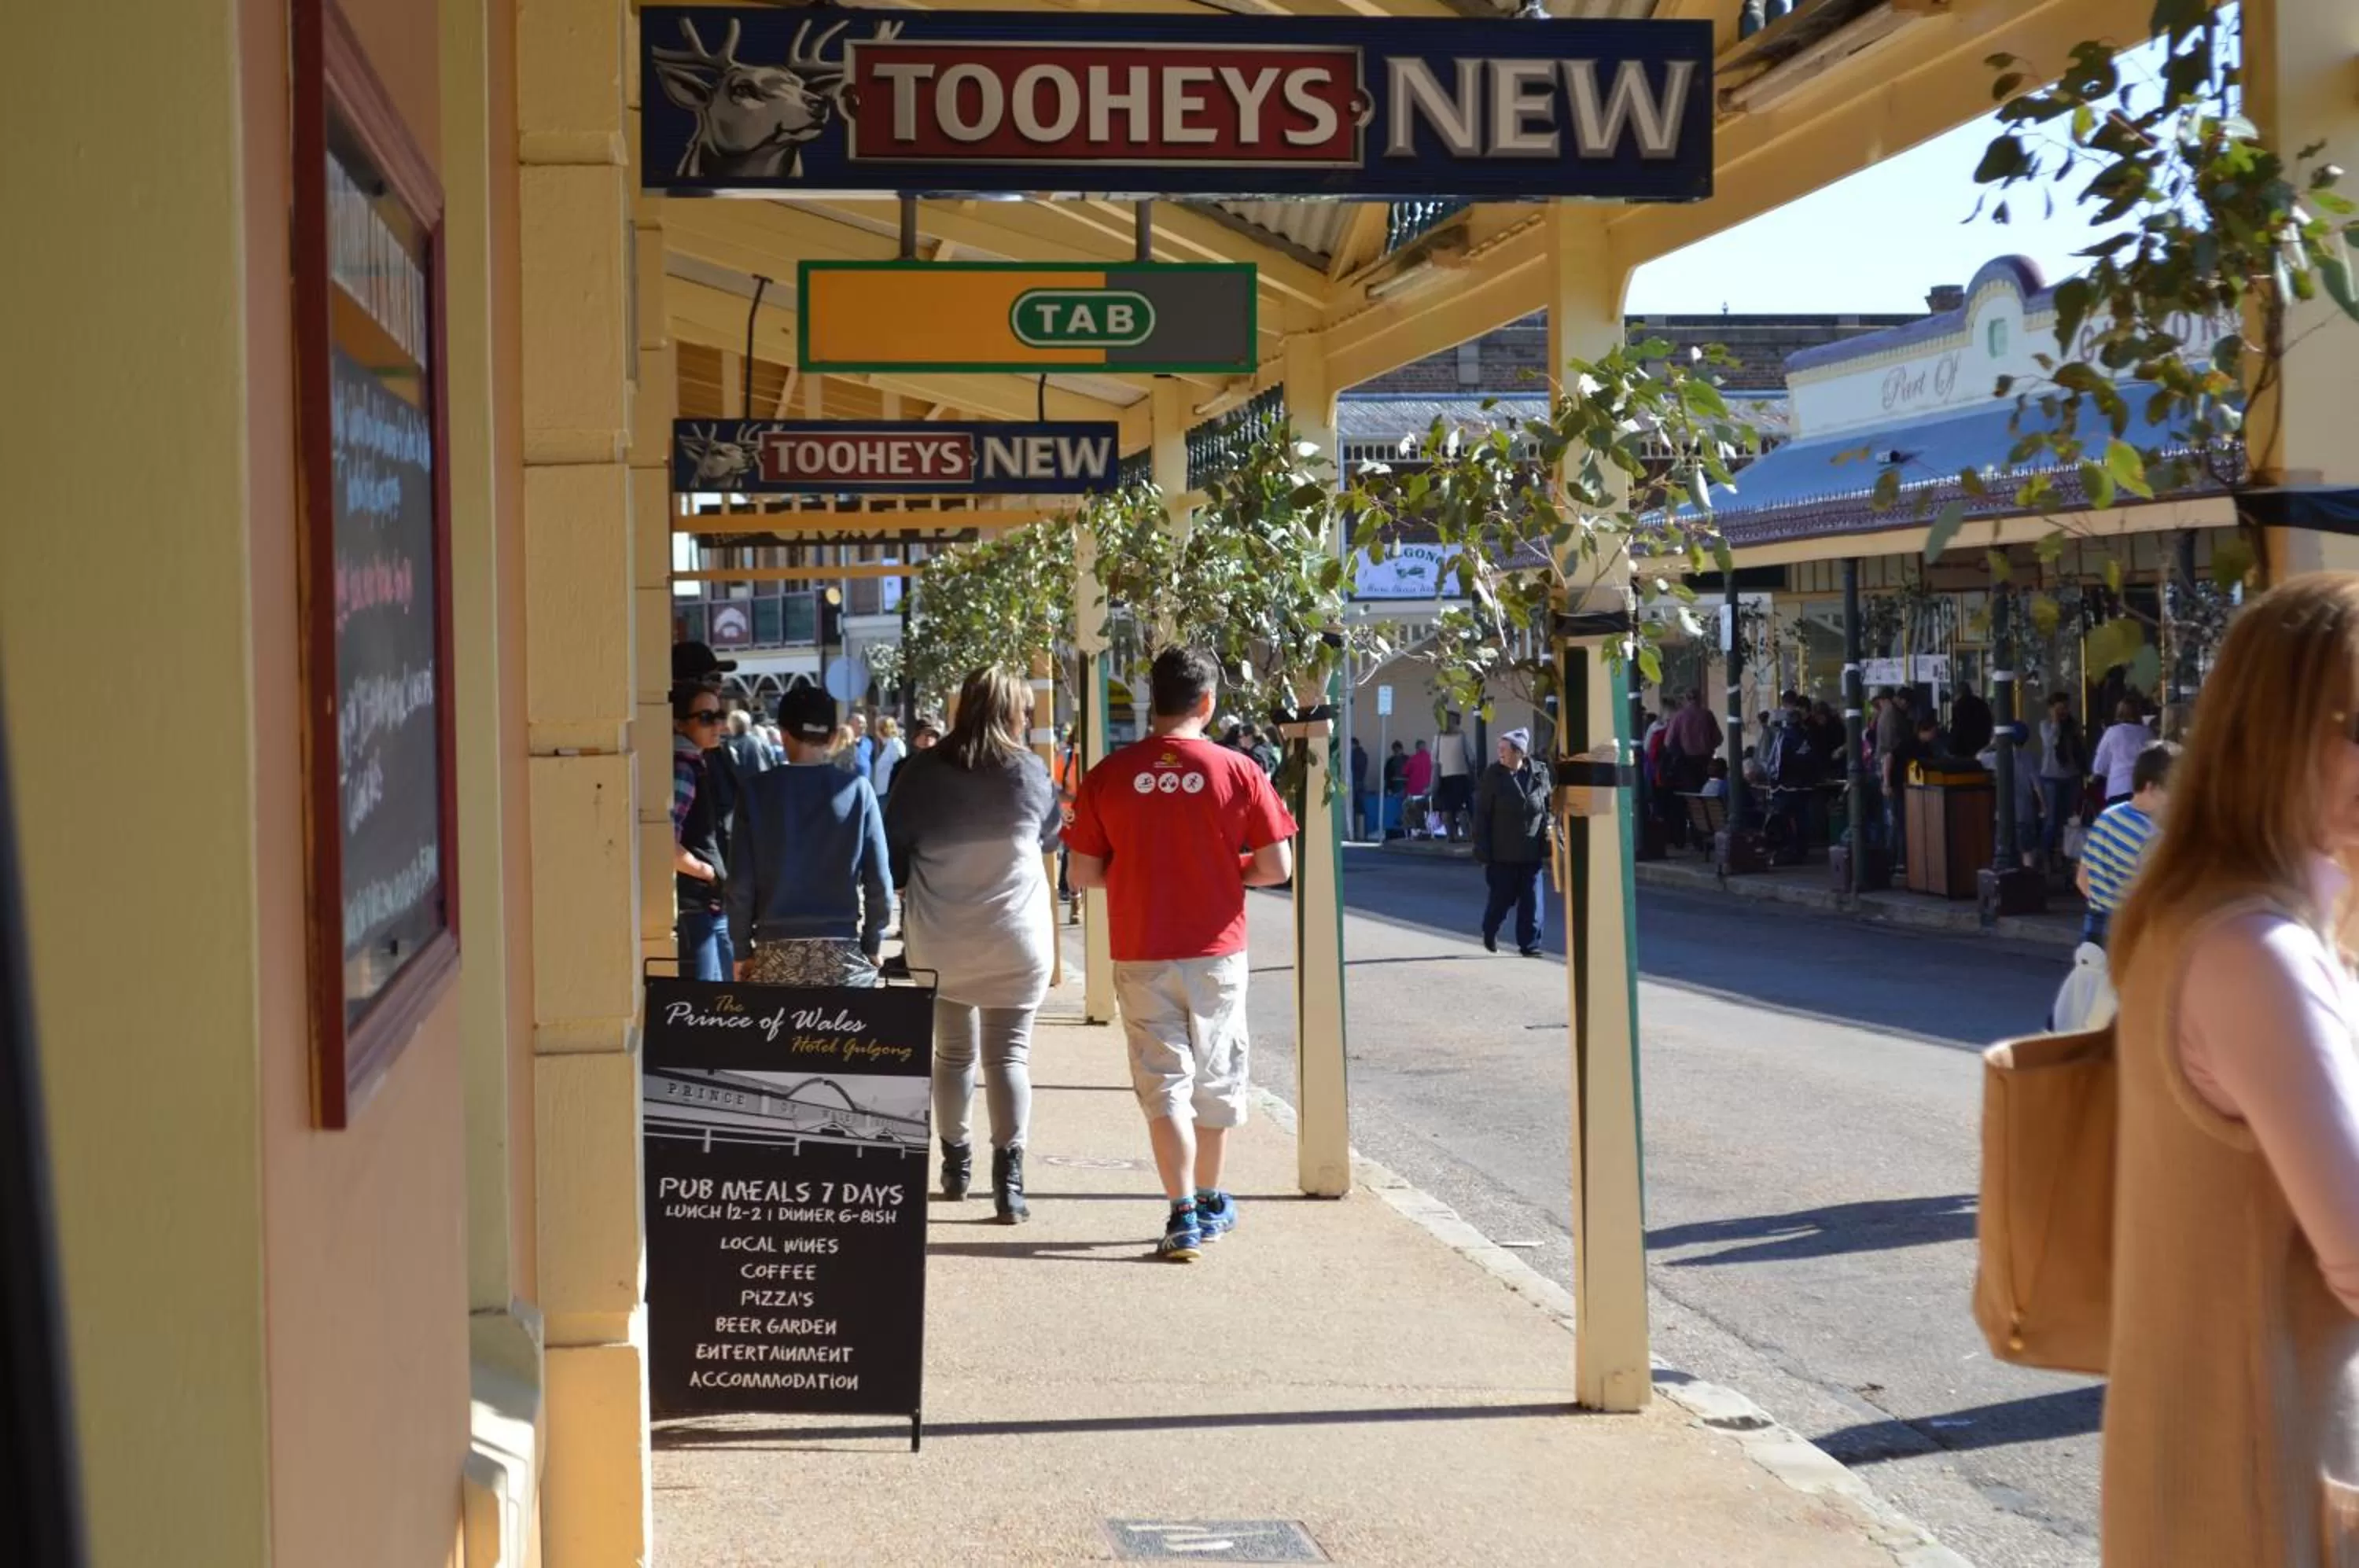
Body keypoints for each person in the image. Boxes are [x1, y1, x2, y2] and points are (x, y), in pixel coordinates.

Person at [2097, 574, 2359, 1565]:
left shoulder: (2218, 916)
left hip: (2217, 1464)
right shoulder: (2260, 949)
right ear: (2275, 729)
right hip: (2265, 1481)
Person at [1065, 647, 1296, 1263]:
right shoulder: (1240, 770)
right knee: (1217, 1075)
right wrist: (1220, 868)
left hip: (1142, 945)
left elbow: (1084, 872)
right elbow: (1277, 867)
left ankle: (1182, 1213)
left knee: (1163, 1079)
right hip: (1216, 948)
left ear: (1153, 701)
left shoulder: (1110, 774)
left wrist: (1146, 869)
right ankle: (1213, 1198)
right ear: (1207, 703)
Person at [884, 668, 1064, 1225]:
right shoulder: (1029, 773)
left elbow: (895, 852)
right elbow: (1051, 836)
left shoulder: (919, 772)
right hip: (1015, 938)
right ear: (1013, 712)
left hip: (942, 937)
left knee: (952, 1054)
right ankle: (1008, 1179)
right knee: (1008, 1056)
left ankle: (953, 1161)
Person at [725, 683, 892, 987]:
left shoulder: (755, 792)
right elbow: (879, 880)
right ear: (831, 737)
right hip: (841, 947)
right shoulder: (858, 791)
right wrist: (872, 943)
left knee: (777, 1033)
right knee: (844, 1035)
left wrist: (741, 948)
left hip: (774, 949)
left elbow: (740, 883)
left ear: (784, 733)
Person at [2077, 739, 2177, 948]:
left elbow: (2083, 880)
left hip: (2094, 932)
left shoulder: (2107, 816)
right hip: (2132, 938)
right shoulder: (2153, 835)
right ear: (2152, 787)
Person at [669, 681, 734, 981]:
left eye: (719, 715)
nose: (717, 724)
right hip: (696, 908)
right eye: (706, 718)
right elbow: (666, 843)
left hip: (709, 906)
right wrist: (705, 871)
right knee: (708, 1007)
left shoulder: (697, 762)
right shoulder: (684, 768)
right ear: (680, 723)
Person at [1473, 728, 1551, 957]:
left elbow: (1548, 805)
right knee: (1502, 899)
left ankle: (1530, 944)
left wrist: (1551, 831)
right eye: (1499, 749)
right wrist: (1482, 848)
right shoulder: (1493, 776)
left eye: (1504, 750)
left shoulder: (1539, 773)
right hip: (1502, 852)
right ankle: (1490, 929)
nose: (1500, 754)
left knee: (1532, 901)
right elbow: (1482, 815)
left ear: (1519, 752)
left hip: (1531, 850)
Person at [2037, 691, 2087, 864]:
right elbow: (2050, 742)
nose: (2063, 711)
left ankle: (2065, 854)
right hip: (2051, 776)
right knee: (2051, 819)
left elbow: (2079, 747)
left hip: (2071, 776)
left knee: (2068, 818)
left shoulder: (2073, 726)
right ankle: (2045, 855)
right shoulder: (2045, 725)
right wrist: (2056, 722)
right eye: (2059, 708)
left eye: (2065, 708)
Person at [2089, 698, 2153, 807]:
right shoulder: (2147, 733)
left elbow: (2099, 766)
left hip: (2118, 787)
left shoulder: (2112, 732)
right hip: (2141, 787)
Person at [1663, 688, 1721, 792]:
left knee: (1688, 794)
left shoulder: (1679, 716)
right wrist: (1708, 746)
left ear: (1686, 699)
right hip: (1705, 760)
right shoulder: (1707, 715)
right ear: (1700, 698)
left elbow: (1668, 741)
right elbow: (1719, 739)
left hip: (1685, 761)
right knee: (1703, 791)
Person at [1433, 713, 1475, 840]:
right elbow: (1471, 757)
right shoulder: (1460, 736)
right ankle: (1462, 835)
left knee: (1451, 808)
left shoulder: (1441, 737)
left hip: (1449, 777)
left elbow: (1434, 759)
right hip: (1457, 776)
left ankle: (1453, 835)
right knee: (1457, 808)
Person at [1949, 683, 1995, 760]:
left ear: (1958, 694)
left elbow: (1958, 729)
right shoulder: (1982, 704)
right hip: (1982, 746)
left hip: (1964, 750)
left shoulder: (1959, 706)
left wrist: (1952, 749)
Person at [870, 714, 907, 797]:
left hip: (889, 794)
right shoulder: (885, 745)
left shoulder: (895, 744)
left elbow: (900, 769)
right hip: (881, 793)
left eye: (877, 728)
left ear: (883, 730)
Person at [1403, 738, 1435, 825]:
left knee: (1411, 809)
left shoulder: (1412, 759)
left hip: (1414, 791)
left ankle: (1416, 827)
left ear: (1416, 748)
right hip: (1428, 790)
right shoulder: (1432, 758)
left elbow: (1405, 772)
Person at [1349, 735, 1371, 841]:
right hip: (1360, 782)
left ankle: (1357, 832)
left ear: (1354, 744)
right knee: (1360, 807)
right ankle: (1361, 832)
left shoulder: (1355, 755)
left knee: (1356, 806)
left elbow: (1354, 768)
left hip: (1355, 783)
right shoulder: (1362, 755)